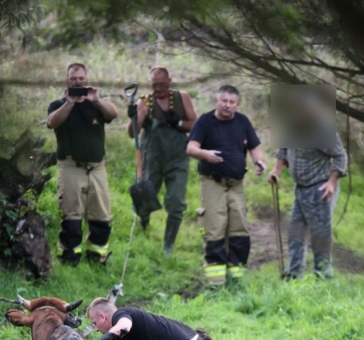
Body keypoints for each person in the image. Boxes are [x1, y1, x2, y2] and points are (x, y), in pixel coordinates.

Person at [187, 85, 266, 287]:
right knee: (214, 229)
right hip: (212, 182)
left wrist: (259, 161)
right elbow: (191, 148)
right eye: (224, 101)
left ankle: (236, 279)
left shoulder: (242, 121)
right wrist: (206, 154)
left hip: (237, 184)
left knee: (239, 229)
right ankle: (216, 283)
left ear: (237, 104)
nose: (227, 106)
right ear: (217, 101)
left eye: (232, 102)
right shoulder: (205, 122)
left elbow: (254, 147)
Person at [46, 63, 119, 266]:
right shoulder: (58, 104)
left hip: (97, 167)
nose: (77, 82)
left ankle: (97, 258)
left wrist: (96, 100)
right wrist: (69, 102)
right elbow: (52, 122)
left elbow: (113, 114)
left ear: (87, 80)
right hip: (71, 167)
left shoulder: (96, 104)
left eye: (81, 79)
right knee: (71, 216)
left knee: (101, 215)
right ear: (67, 81)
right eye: (73, 79)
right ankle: (69, 258)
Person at [268, 97, 347, 279]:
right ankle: (294, 275)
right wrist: (277, 171)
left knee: (319, 235)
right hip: (301, 188)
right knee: (295, 232)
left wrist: (332, 183)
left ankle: (323, 275)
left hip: (320, 187)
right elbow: (283, 149)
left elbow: (340, 157)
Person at [127, 66, 198, 255]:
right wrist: (133, 117)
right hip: (152, 158)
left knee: (176, 204)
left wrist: (179, 123)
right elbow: (132, 133)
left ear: (170, 81)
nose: (157, 89)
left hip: (178, 159)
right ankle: (144, 225)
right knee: (145, 199)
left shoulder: (182, 98)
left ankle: (168, 246)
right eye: (154, 85)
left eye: (161, 84)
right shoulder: (144, 102)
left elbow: (195, 125)